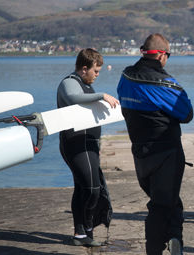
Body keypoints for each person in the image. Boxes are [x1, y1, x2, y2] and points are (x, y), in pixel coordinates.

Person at [116, 33, 193, 255]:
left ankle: (174, 237)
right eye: (168, 55)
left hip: (140, 154)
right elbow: (187, 113)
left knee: (168, 201)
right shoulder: (165, 84)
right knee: (161, 207)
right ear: (161, 55)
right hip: (166, 153)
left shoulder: (125, 78)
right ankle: (165, 244)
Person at [57, 48, 119, 247]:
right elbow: (74, 98)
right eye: (96, 71)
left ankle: (80, 233)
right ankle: (88, 226)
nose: (97, 75)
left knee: (82, 187)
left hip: (90, 145)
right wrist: (102, 95)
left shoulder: (87, 85)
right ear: (84, 69)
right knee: (92, 189)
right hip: (74, 145)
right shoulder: (69, 83)